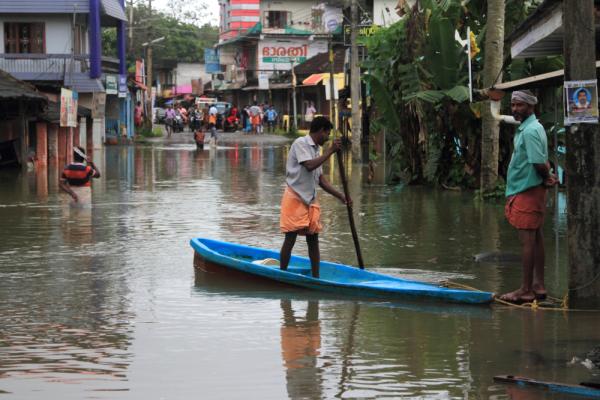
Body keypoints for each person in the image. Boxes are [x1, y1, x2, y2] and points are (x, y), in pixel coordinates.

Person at [499, 90, 557, 304]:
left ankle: (525, 290)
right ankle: (538, 286)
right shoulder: (533, 127)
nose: (515, 109)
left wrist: (547, 176)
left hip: (527, 190)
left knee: (527, 242)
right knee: (536, 238)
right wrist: (548, 177)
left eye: (519, 105)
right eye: (513, 105)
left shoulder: (531, 131)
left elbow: (538, 162)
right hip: (531, 189)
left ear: (531, 106)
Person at [279, 116, 349, 278]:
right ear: (320, 131)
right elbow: (309, 166)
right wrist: (331, 151)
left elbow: (321, 180)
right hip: (294, 197)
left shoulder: (317, 149)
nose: (327, 137)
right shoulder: (300, 143)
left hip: (309, 200)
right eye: (327, 133)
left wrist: (341, 196)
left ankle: (316, 278)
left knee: (313, 239)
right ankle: (281, 274)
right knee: (290, 238)